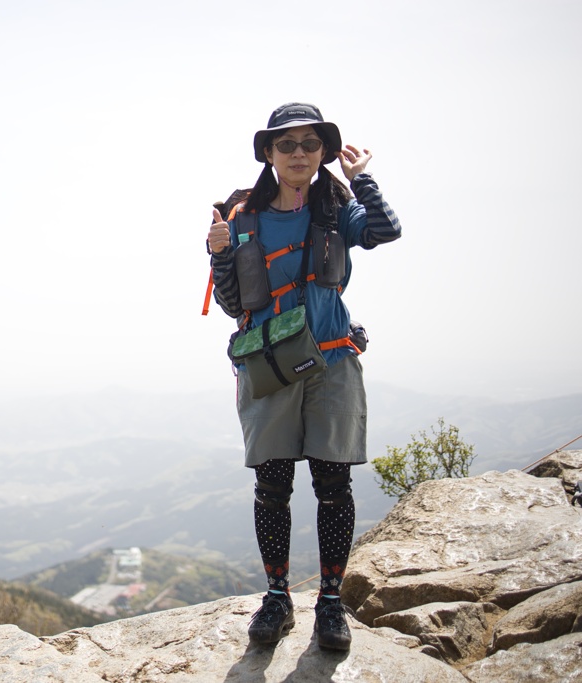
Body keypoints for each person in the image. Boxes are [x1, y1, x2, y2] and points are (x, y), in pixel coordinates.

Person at [206, 103, 402, 651]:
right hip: (268, 364)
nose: (298, 153)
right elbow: (230, 303)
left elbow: (386, 229)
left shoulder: (336, 206)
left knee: (332, 484)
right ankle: (277, 597)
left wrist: (360, 178)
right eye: (286, 144)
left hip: (332, 360)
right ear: (267, 153)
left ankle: (331, 603)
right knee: (272, 486)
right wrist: (218, 255)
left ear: (323, 153)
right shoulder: (240, 217)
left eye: (310, 144)